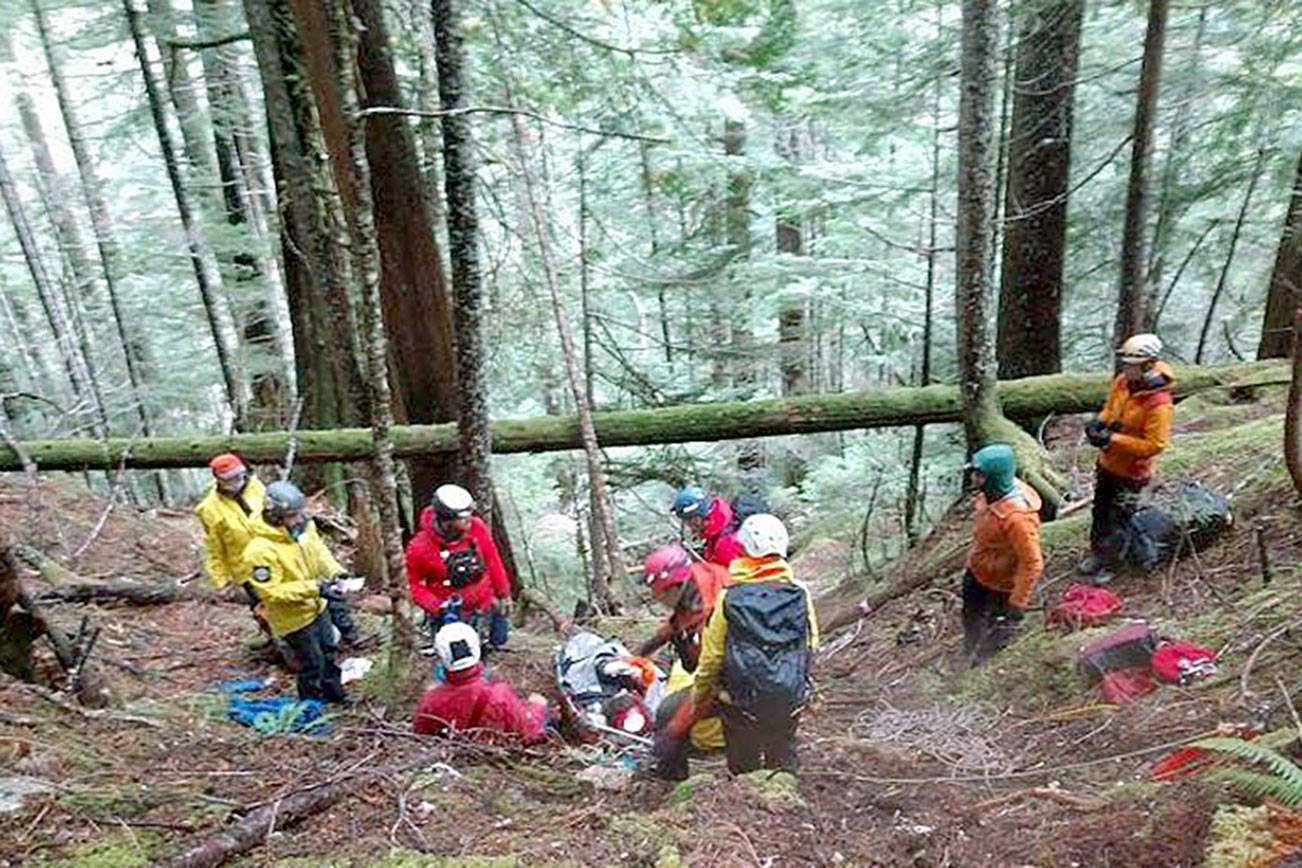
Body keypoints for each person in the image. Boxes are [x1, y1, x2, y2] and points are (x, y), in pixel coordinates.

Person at [655, 513, 818, 777]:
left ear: (744, 551)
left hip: (740, 703)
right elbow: (810, 644)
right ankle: (786, 800)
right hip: (788, 696)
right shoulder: (800, 592)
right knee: (783, 758)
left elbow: (712, 659)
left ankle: (746, 800)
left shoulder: (728, 598)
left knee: (743, 767)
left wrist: (698, 698)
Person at [240, 481, 351, 703]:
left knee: (329, 651)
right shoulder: (259, 550)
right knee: (312, 662)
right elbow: (271, 591)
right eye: (293, 515)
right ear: (276, 516)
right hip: (293, 617)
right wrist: (315, 588)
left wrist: (336, 573)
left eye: (300, 513)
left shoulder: (303, 528)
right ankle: (311, 704)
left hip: (317, 606)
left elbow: (319, 553)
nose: (299, 519)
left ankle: (335, 695)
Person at [1080, 333, 1175, 583]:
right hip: (1108, 463)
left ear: (1147, 365)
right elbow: (1111, 409)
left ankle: (1113, 563)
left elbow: (1155, 445)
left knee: (1120, 518)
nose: (1126, 368)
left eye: (1131, 364)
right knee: (1100, 511)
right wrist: (1098, 424)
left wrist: (1112, 440)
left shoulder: (1159, 403)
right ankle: (1098, 553)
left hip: (1133, 472)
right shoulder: (1123, 382)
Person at [962, 443, 1044, 663]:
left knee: (996, 629)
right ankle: (970, 646)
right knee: (971, 615)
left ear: (994, 478)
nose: (973, 479)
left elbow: (1032, 563)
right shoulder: (990, 494)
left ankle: (983, 662)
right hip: (978, 570)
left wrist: (1017, 603)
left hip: (1001, 584)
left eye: (979, 475)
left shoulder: (1017, 519)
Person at [405, 484, 513, 648]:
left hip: (483, 604)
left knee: (491, 643)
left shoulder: (477, 528)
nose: (469, 521)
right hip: (449, 615)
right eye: (462, 518)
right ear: (445, 520)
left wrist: (503, 593)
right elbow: (412, 584)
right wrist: (436, 606)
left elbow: (492, 559)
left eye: (469, 515)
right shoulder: (419, 547)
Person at [413, 622, 549, 743]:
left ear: (441, 657)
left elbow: (421, 738)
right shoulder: (499, 695)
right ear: (476, 649)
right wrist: (538, 707)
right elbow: (529, 733)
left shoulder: (430, 701)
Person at [635, 543, 730, 672]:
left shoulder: (708, 616)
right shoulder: (701, 576)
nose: (654, 597)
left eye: (657, 593)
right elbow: (675, 624)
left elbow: (710, 666)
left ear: (674, 588)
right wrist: (641, 652)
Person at [670, 486, 746, 569]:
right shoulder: (722, 516)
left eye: (687, 521)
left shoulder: (724, 547)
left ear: (696, 519)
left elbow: (721, 577)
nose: (688, 526)